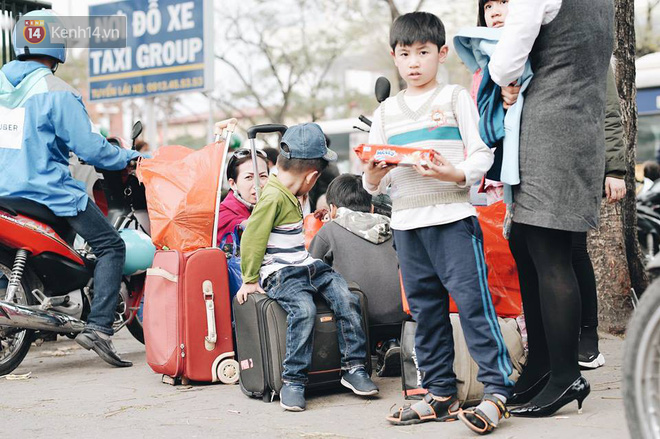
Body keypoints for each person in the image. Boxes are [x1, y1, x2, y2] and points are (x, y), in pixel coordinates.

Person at [364, 12, 513, 434]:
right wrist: (373, 172)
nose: (414, 62)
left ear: (442, 54)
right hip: (408, 225)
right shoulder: (387, 112)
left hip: (453, 219)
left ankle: (499, 392)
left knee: (473, 306)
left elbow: (482, 154)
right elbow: (374, 182)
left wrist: (452, 174)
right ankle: (440, 393)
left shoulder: (453, 98)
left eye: (424, 52)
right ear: (393, 57)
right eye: (405, 54)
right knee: (425, 312)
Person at [477, 0, 626, 373]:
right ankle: (543, 370)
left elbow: (504, 65)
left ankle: (564, 374)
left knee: (551, 255)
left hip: (547, 136)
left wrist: (505, 80)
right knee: (533, 248)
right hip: (575, 136)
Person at [0, 10, 141, 367]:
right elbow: (92, 149)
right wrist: (127, 156)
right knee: (110, 246)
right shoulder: (57, 91)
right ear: (57, 47)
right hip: (47, 193)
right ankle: (99, 328)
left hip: (4, 193)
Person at [236, 123, 378, 412]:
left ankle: (353, 367)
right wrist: (250, 279)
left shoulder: (290, 190)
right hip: (280, 271)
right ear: (313, 176)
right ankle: (294, 380)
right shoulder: (273, 196)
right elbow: (252, 237)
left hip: (302, 263)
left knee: (344, 294)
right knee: (304, 310)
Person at [308, 174, 408, 377]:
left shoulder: (329, 231)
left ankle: (377, 348)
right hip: (403, 318)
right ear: (371, 207)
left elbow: (309, 272)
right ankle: (388, 344)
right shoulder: (395, 226)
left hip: (359, 320)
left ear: (333, 209)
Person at [216, 148, 269, 245]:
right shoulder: (223, 213)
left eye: (263, 176)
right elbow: (252, 228)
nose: (257, 184)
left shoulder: (271, 204)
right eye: (249, 177)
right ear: (233, 184)